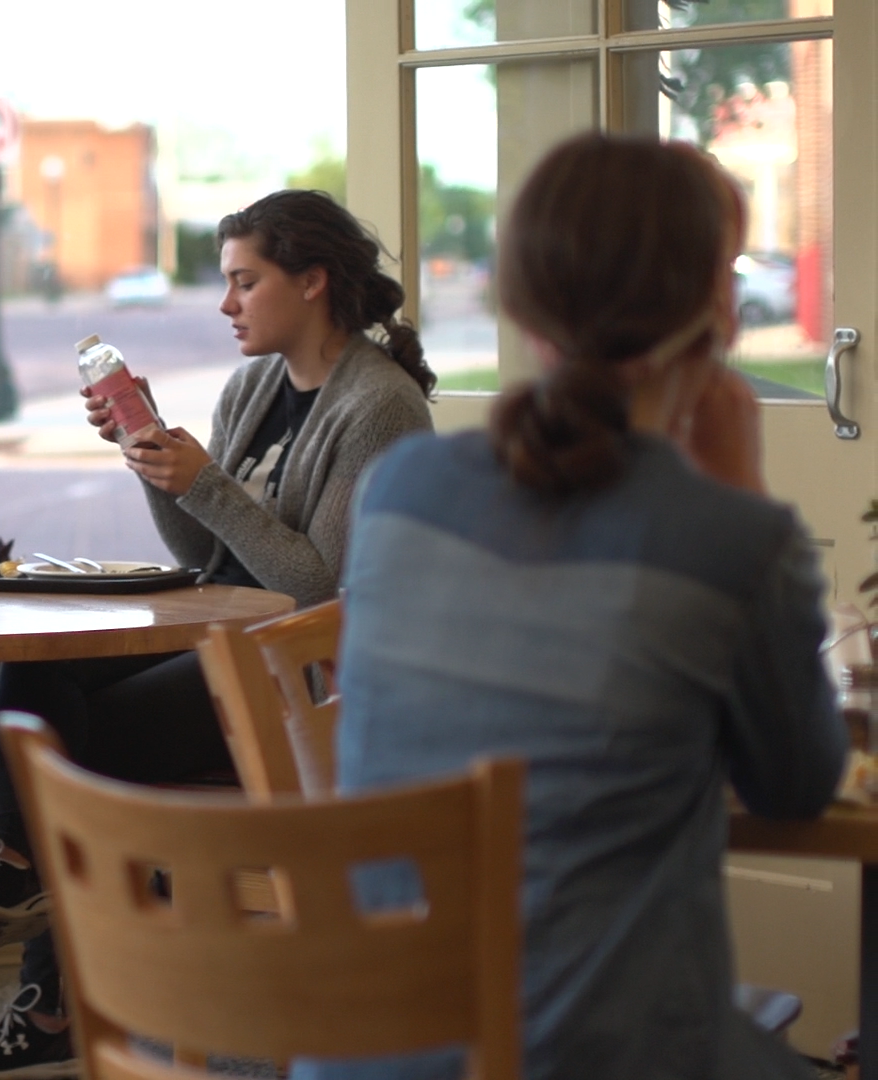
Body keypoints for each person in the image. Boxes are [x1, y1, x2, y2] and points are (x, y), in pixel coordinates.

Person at [313, 134, 845, 1080]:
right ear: (719, 308)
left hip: (372, 1042)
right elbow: (796, 787)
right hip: (599, 1053)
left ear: (517, 301)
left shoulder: (400, 488)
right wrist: (743, 490)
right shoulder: (730, 537)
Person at [0, 190, 436, 1077]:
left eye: (242, 283)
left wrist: (210, 482)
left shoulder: (380, 407)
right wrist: (154, 460)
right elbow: (201, 550)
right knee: (39, 655)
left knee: (77, 746)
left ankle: (51, 970)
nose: (225, 305)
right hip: (222, 638)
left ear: (311, 282)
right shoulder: (253, 385)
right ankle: (12, 861)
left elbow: (321, 591)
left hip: (306, 673)